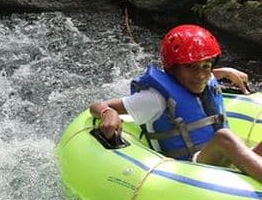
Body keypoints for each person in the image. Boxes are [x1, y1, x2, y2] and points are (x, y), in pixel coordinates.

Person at [90, 24, 262, 182]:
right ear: (172, 69)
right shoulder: (154, 99)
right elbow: (97, 105)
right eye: (190, 67)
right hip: (190, 168)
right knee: (225, 137)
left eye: (206, 66)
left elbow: (201, 76)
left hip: (223, 159)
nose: (201, 75)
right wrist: (107, 112)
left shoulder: (203, 78)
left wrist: (224, 72)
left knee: (228, 140)